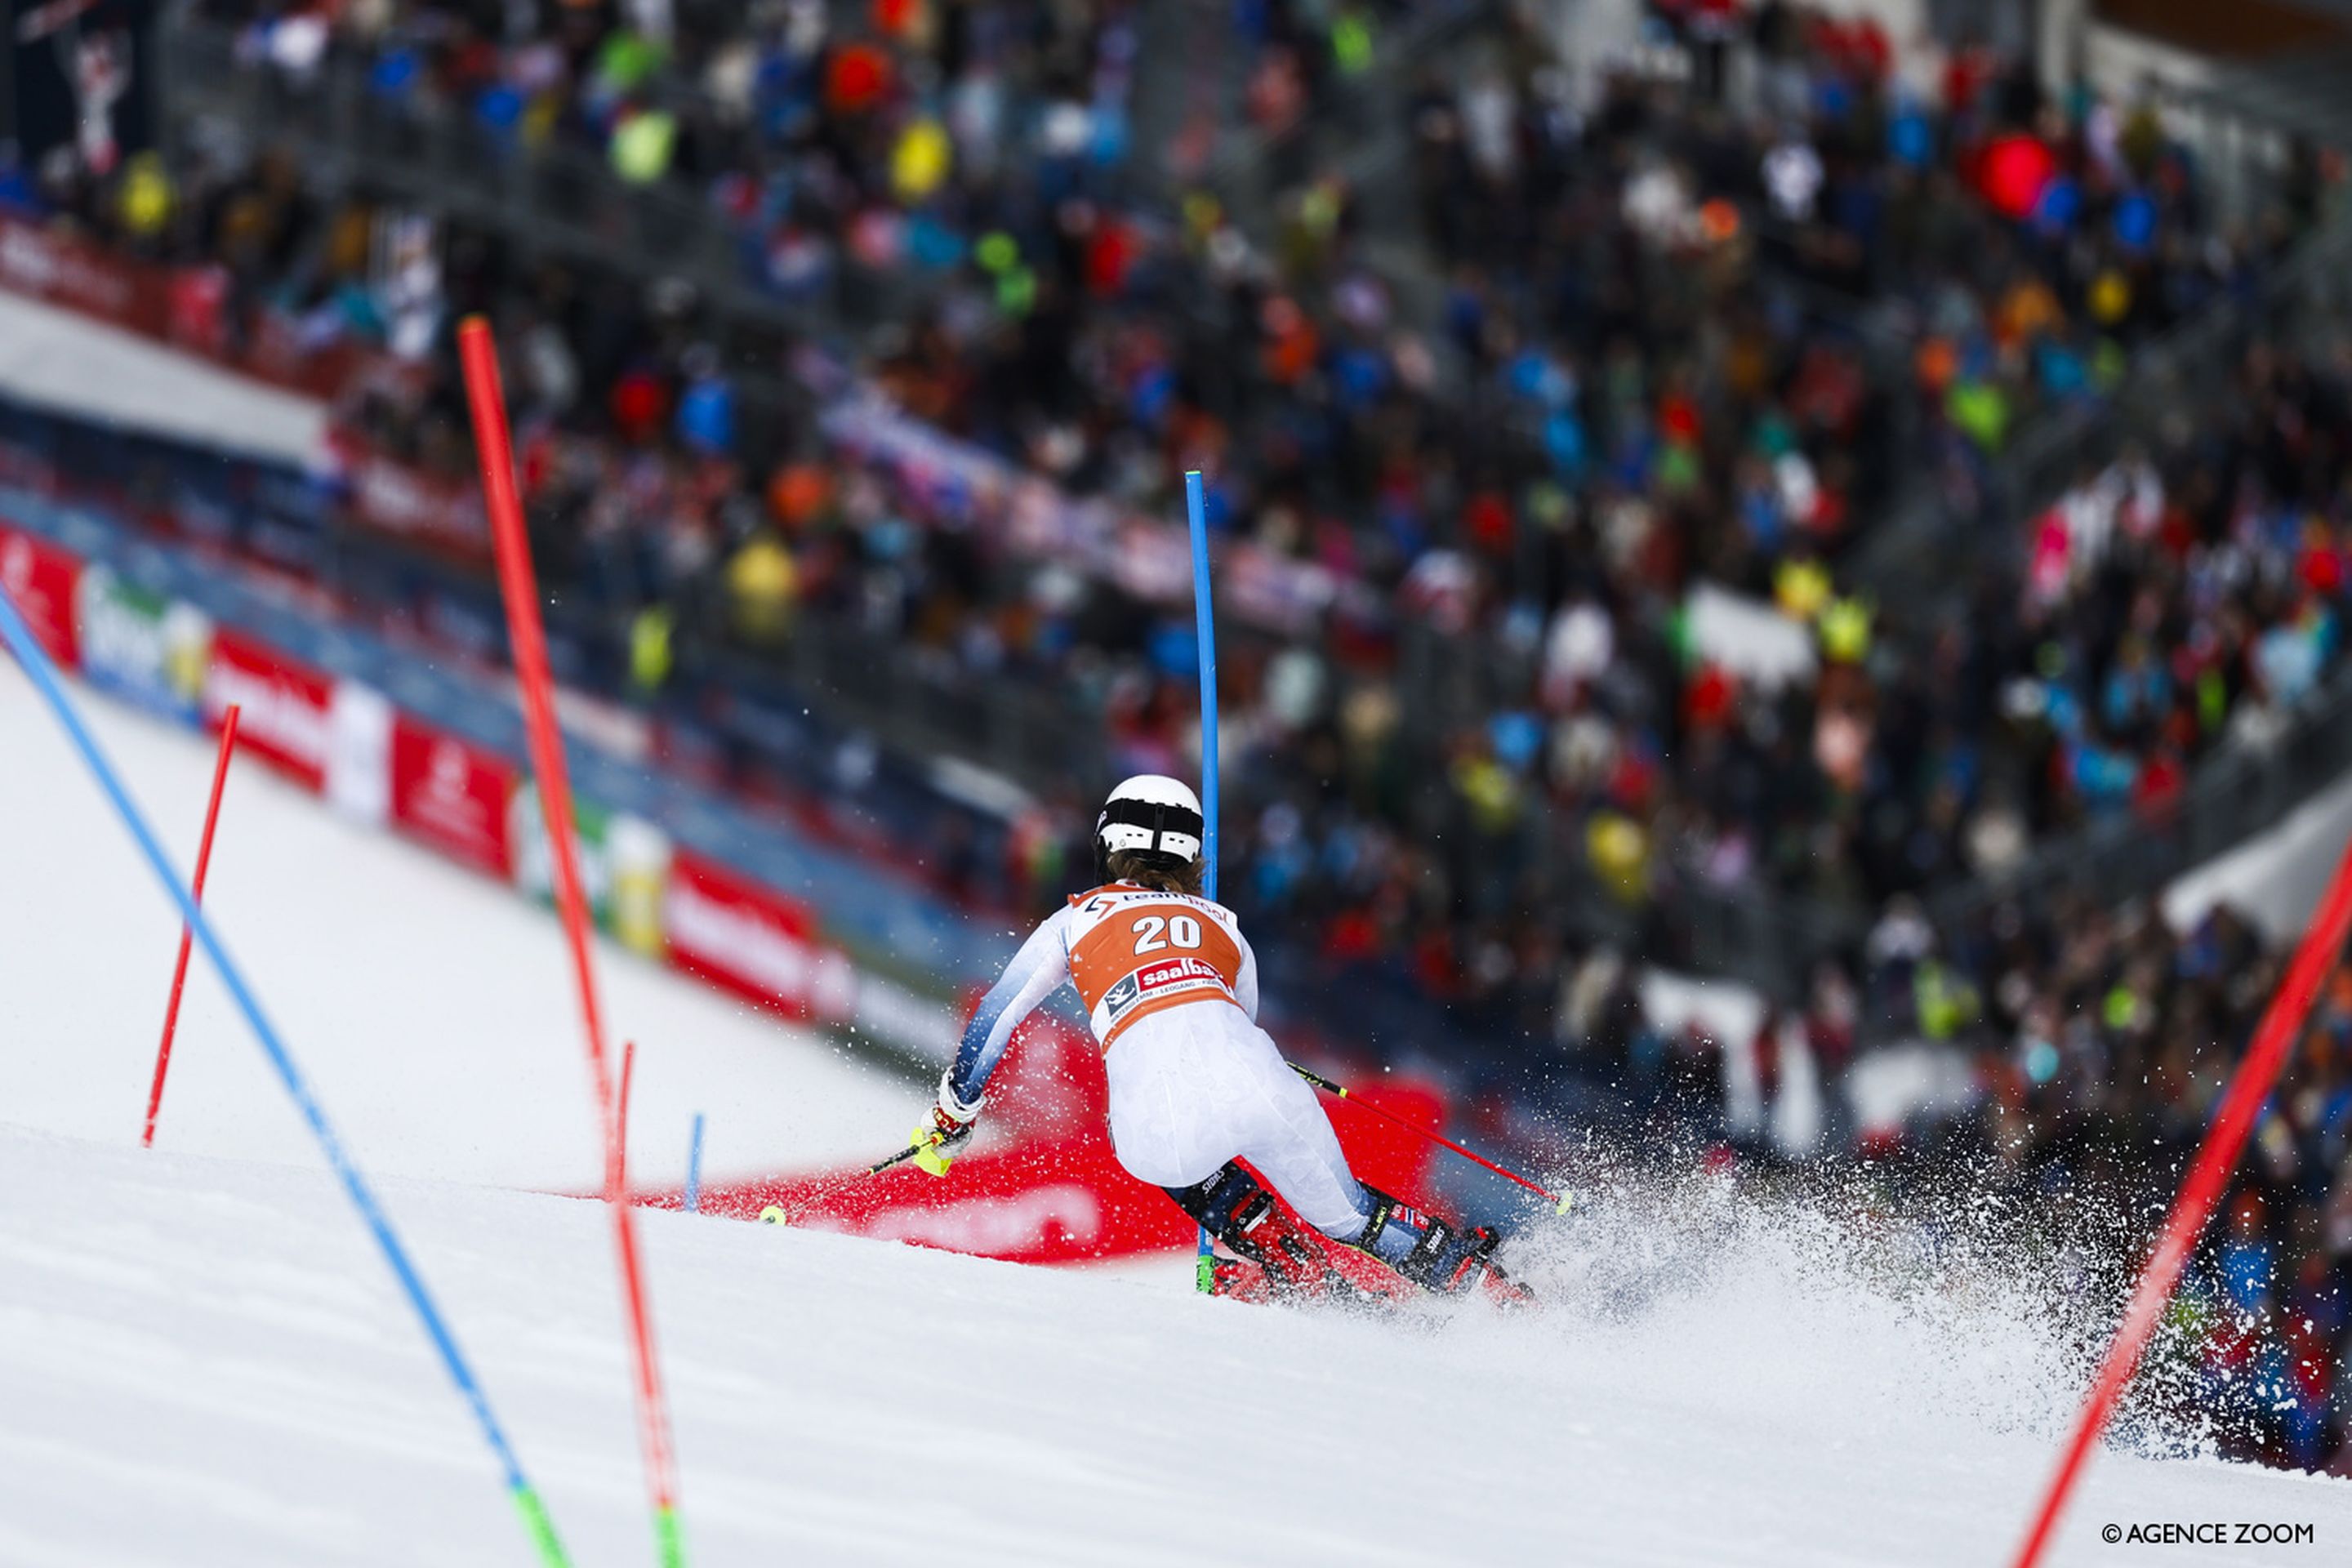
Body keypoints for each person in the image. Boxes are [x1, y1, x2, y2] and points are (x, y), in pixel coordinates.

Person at [906, 773, 1530, 1303]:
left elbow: (995, 1015)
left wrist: (954, 1113)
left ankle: (1286, 1262)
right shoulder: (1224, 924)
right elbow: (1238, 1020)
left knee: (1173, 1153)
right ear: (1190, 855)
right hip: (1266, 1088)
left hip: (1161, 1131)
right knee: (1352, 1216)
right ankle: (1475, 1280)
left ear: (1106, 845)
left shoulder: (1077, 918)